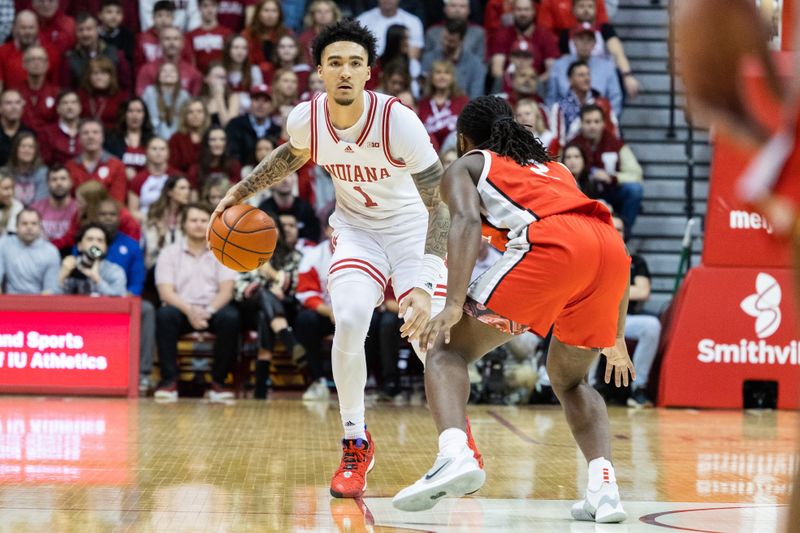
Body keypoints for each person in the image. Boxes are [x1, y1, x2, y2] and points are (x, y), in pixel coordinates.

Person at [212, 19, 463, 499]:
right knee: (348, 320)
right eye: (334, 64)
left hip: (413, 226)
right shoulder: (306, 118)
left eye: (354, 63)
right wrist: (240, 192)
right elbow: (291, 154)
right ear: (320, 73)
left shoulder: (398, 121)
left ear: (369, 72)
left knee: (426, 336)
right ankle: (355, 442)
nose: (345, 72)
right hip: (357, 229)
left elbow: (441, 204)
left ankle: (456, 442)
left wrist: (427, 283)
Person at [391, 96, 632, 525]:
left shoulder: (466, 165)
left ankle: (454, 454)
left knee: (446, 351)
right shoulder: (554, 169)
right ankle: (604, 487)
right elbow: (600, 240)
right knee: (571, 380)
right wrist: (616, 336)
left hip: (553, 248)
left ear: (465, 138)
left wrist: (451, 305)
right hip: (609, 251)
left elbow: (463, 222)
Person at [154, 202, 240, 402]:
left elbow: (227, 290)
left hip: (212, 310)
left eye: (204, 220)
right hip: (181, 310)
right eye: (193, 220)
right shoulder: (169, 253)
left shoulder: (223, 251)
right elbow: (166, 292)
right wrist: (190, 311)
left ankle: (218, 382)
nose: (199, 225)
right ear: (183, 224)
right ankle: (169, 382)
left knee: (231, 317)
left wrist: (207, 311)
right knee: (164, 315)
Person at [571, 104, 643, 238]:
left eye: (596, 121)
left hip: (610, 192)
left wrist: (612, 178)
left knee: (634, 190)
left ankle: (623, 235)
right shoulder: (573, 144)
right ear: (581, 124)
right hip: (583, 192)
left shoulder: (615, 144)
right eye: (588, 122)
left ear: (604, 123)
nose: (592, 126)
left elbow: (636, 173)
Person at [64, 119, 128, 204]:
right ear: (79, 138)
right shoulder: (70, 166)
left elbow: (117, 202)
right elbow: (68, 201)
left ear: (103, 137)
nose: (90, 136)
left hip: (106, 215)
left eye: (95, 132)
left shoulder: (117, 166)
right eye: (85, 133)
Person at [0, 208, 60, 294]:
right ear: (16, 226)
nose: (29, 227)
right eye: (24, 223)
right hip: (10, 301)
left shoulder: (51, 251)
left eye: (34, 223)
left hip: (40, 302)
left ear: (40, 226)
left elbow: (50, 289)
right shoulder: (4, 244)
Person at [57, 222, 127, 296]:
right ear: (79, 246)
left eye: (100, 240)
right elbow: (51, 299)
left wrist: (97, 279)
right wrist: (62, 276)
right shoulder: (68, 266)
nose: (95, 244)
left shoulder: (114, 271)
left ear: (106, 248)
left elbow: (120, 301)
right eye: (90, 239)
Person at [143, 175, 190, 269]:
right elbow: (150, 256)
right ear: (169, 192)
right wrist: (161, 237)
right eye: (182, 188)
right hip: (158, 266)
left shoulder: (190, 216)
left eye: (188, 188)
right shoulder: (155, 216)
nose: (187, 192)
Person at [257, 173, 319, 242]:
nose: (285, 180)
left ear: (294, 179)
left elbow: (313, 237)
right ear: (271, 182)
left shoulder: (305, 208)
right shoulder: (264, 210)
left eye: (289, 175)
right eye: (279, 177)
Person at [104, 98, 155, 180]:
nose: (135, 115)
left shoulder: (152, 140)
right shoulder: (112, 138)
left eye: (139, 111)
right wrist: (123, 171)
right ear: (124, 114)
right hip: (118, 180)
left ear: (144, 115)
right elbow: (107, 163)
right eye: (130, 111)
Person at [141, 62, 193, 139]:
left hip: (179, 138)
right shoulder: (149, 92)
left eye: (172, 71)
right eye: (164, 71)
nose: (168, 73)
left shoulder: (184, 96)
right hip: (152, 136)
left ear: (178, 76)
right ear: (158, 76)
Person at [31, 165, 78, 246]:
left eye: (63, 179)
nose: (58, 183)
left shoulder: (78, 209)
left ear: (71, 182)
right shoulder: (35, 208)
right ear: (47, 183)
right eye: (54, 179)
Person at [186, 0, 233, 74]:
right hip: (198, 78)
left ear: (218, 8)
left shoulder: (227, 34)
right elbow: (190, 61)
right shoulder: (190, 35)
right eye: (205, 6)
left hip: (221, 77)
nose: (209, 10)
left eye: (213, 5)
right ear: (199, 8)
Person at [2, 131, 48, 206]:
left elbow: (41, 203)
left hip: (35, 215)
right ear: (16, 149)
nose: (27, 150)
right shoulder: (5, 172)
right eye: (23, 146)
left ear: (35, 151)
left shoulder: (42, 173)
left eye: (31, 147)